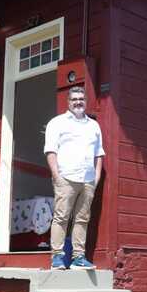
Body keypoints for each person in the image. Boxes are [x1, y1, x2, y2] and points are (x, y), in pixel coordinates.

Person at [44, 86, 104, 270]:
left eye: (81, 99)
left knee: (82, 219)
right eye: (74, 99)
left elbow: (99, 154)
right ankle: (57, 258)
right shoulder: (57, 123)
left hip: (87, 180)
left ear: (85, 102)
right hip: (66, 178)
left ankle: (78, 258)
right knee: (61, 217)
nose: (78, 102)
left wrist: (96, 179)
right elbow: (51, 150)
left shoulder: (94, 126)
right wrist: (57, 176)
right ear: (68, 102)